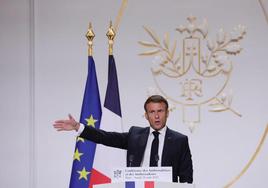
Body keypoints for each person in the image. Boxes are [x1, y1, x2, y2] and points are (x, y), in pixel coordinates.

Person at [53, 95, 193, 183]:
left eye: (160, 111)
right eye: (152, 112)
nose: (156, 116)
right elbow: (106, 137)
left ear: (167, 113)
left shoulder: (180, 140)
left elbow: (186, 177)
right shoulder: (135, 135)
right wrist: (78, 127)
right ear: (146, 115)